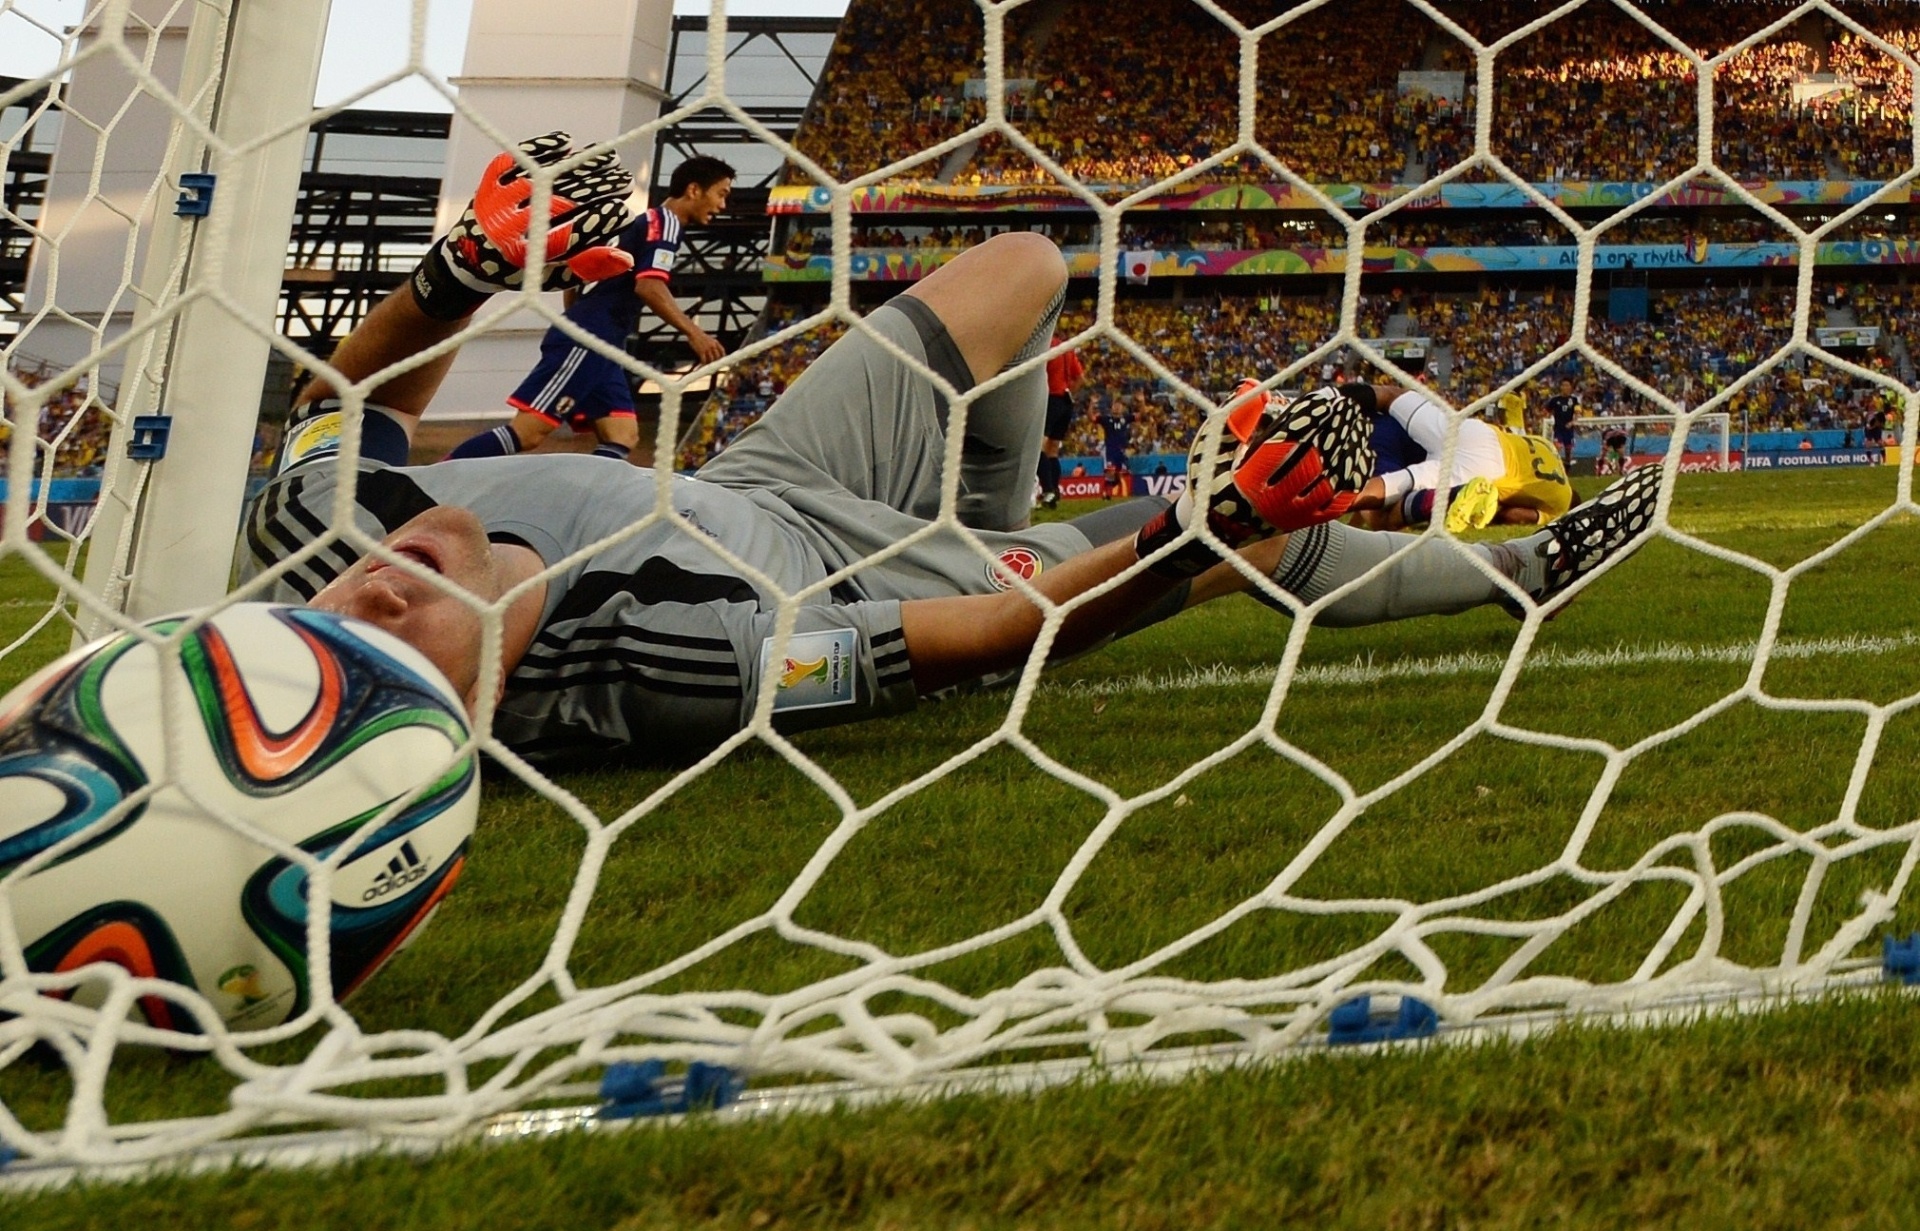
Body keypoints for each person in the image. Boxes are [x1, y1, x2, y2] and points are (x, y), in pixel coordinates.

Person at [239, 137, 1664, 768]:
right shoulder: (656, 665)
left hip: (754, 473)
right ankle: (1523, 571)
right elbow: (979, 639)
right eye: (394, 643)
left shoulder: (322, 537)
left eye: (336, 618)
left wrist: (462, 277)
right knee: (1243, 540)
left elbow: (339, 399)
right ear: (479, 702)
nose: (370, 597)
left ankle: (1003, 494)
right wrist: (1201, 529)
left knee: (1028, 267)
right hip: (865, 574)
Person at [443, 155, 735, 465]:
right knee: (527, 433)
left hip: (602, 340)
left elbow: (577, 272)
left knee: (622, 435)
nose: (722, 205)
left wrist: (576, 316)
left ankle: (588, 494)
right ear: (693, 190)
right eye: (721, 194)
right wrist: (695, 333)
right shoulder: (666, 225)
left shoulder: (641, 223)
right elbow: (648, 286)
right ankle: (434, 477)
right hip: (591, 338)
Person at [1331, 383, 1574, 533]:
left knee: (1391, 395)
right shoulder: (1560, 505)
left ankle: (1324, 398)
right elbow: (1514, 516)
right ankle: (1321, 498)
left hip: (1478, 432)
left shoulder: (1548, 446)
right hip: (1486, 468)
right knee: (1388, 513)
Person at [1038, 338, 1086, 508]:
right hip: (1066, 401)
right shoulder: (1067, 348)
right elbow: (1080, 378)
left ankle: (1048, 491)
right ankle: (1055, 491)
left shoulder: (1044, 346)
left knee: (1038, 447)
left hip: (1051, 399)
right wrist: (1070, 394)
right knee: (1052, 450)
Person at [1095, 396, 1133, 499]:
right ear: (1111, 407)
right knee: (1110, 472)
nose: (1117, 407)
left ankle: (1110, 489)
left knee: (1122, 473)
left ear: (1122, 408)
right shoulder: (1106, 419)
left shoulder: (1125, 419)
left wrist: (1142, 402)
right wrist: (1091, 404)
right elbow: (1092, 418)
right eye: (1115, 405)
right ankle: (1106, 493)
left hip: (1121, 451)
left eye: (1119, 405)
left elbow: (1141, 416)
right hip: (1110, 450)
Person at [1545, 378, 1581, 469]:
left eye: (1567, 385)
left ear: (1571, 387)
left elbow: (1578, 413)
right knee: (1557, 448)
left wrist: (1572, 422)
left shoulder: (1574, 400)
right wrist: (1546, 420)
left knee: (1568, 452)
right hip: (1558, 429)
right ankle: (1555, 468)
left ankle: (1567, 469)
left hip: (1569, 430)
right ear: (1560, 387)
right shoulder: (1555, 400)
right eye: (1563, 385)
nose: (1565, 387)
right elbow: (1547, 411)